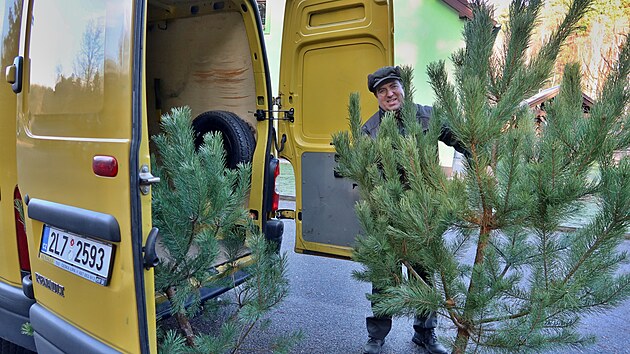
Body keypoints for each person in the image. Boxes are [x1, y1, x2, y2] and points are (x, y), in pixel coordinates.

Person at [361, 66, 466, 354]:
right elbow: (365, 176)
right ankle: (377, 337)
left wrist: (482, 158)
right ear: (377, 97)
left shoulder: (428, 116)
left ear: (403, 87)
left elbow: (464, 140)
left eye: (393, 86)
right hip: (388, 216)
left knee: (424, 276)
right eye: (381, 91)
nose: (389, 94)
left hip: (424, 215)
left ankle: (425, 334)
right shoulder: (370, 130)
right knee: (384, 277)